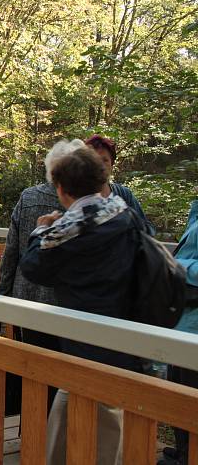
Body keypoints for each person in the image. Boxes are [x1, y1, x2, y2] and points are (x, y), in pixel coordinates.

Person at [19, 147, 146, 465]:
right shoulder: (124, 214)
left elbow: (34, 265)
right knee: (78, 405)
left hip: (87, 338)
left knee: (102, 419)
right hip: (125, 332)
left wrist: (42, 229)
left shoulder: (67, 230)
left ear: (61, 190)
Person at [0, 139, 85, 414]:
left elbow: (11, 250)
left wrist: (4, 293)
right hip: (66, 303)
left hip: (27, 297)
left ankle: (33, 434)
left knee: (35, 366)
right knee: (66, 372)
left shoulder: (29, 197)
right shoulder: (80, 203)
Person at [160, 197, 198, 465]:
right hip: (183, 319)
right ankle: (182, 447)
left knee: (190, 393)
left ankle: (188, 456)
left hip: (194, 324)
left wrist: (172, 266)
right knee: (177, 386)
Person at [84, 134, 154, 234]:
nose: (100, 165)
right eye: (95, 160)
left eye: (105, 160)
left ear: (112, 165)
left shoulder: (124, 194)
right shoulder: (77, 196)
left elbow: (148, 228)